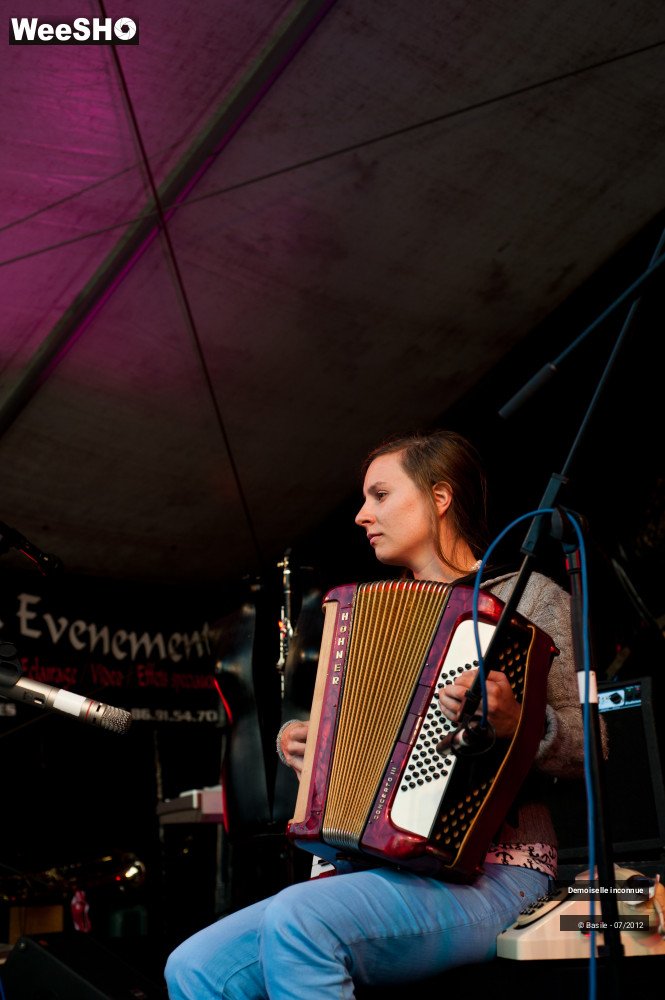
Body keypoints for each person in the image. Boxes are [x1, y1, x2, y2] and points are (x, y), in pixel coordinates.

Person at [165, 428, 597, 999]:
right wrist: (310, 745)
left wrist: (522, 724)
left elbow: (597, 747)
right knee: (194, 967)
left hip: (497, 872)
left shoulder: (532, 599)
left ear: (439, 497)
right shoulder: (370, 615)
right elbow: (367, 741)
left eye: (380, 495)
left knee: (301, 920)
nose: (362, 515)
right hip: (372, 872)